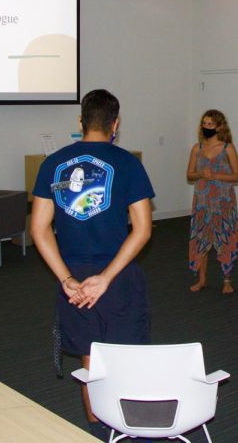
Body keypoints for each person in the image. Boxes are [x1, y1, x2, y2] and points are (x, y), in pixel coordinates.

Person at [30, 89, 155, 440]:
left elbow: (39, 229)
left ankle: (98, 430)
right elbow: (142, 230)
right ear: (115, 124)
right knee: (125, 361)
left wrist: (67, 279)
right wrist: (106, 277)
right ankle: (127, 430)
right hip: (118, 277)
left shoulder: (53, 164)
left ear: (81, 122)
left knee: (90, 363)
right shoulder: (129, 163)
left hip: (74, 277)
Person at [186, 110, 238, 295]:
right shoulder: (197, 148)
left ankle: (227, 280)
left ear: (219, 126)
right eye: (204, 123)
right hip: (202, 200)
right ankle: (201, 280)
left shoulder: (228, 148)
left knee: (224, 238)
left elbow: (237, 176)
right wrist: (202, 174)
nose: (206, 127)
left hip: (223, 200)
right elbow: (189, 174)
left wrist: (216, 175)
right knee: (201, 239)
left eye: (210, 124)